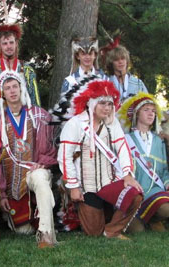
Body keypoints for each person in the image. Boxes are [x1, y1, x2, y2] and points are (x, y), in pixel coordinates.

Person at [58, 78, 143, 239]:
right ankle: (103, 222)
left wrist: (127, 174)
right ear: (91, 104)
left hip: (108, 183)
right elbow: (65, 157)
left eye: (110, 104)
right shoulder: (75, 124)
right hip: (86, 187)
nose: (107, 108)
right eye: (103, 103)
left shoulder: (113, 123)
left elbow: (123, 149)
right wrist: (73, 186)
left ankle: (111, 230)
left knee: (135, 194)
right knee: (93, 233)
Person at [0, 70, 57, 248]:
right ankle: (35, 220)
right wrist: (2, 193)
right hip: (13, 183)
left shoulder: (39, 115)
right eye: (7, 88)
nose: (12, 91)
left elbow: (49, 147)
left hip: (34, 171)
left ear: (21, 89)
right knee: (22, 230)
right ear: (2, 93)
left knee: (41, 177)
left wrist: (43, 161)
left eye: (15, 87)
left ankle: (46, 234)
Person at [118, 92, 169, 232]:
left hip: (154, 190)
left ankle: (153, 219)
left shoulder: (159, 141)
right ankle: (147, 220)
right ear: (136, 114)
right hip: (134, 191)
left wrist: (167, 183)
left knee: (167, 209)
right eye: (146, 110)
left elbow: (164, 170)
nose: (151, 114)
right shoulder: (126, 139)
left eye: (153, 111)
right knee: (137, 231)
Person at [0, 24, 41, 124]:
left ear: (16, 43)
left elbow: (35, 101)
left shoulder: (27, 71)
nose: (9, 46)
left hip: (25, 123)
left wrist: (37, 123)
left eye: (11, 42)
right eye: (5, 43)